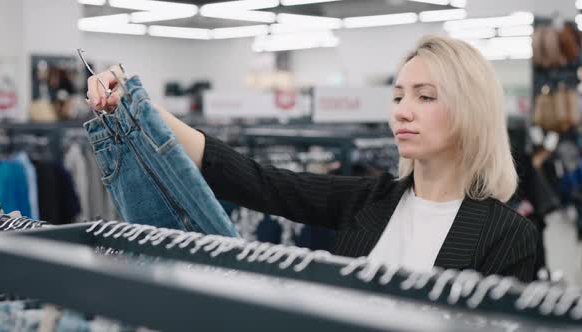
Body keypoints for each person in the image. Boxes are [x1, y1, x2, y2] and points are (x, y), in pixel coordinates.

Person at [86, 35, 539, 282]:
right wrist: (138, 106)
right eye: (399, 95)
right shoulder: (369, 200)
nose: (402, 109)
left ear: (469, 111)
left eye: (425, 97)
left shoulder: (508, 235)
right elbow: (254, 179)